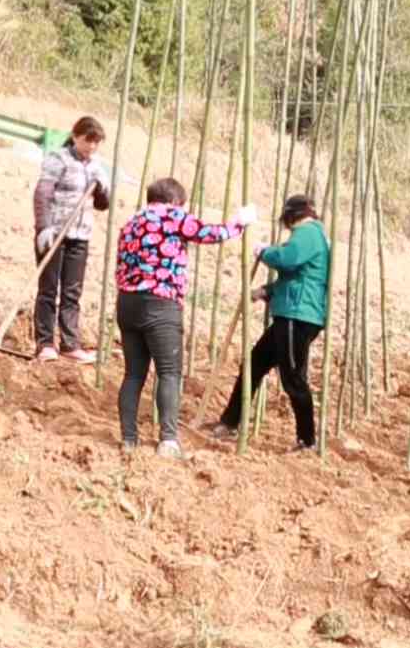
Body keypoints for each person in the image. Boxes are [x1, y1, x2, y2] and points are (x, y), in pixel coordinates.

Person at [114, 178, 256, 458]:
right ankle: (168, 440)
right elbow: (207, 232)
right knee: (168, 372)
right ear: (176, 201)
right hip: (161, 302)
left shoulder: (131, 222)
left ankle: (128, 438)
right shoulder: (171, 216)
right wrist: (238, 223)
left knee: (133, 374)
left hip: (127, 302)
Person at [205, 195, 331, 451]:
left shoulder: (308, 233)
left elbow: (287, 258)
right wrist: (268, 290)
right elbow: (298, 276)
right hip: (289, 313)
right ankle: (230, 422)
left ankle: (307, 441)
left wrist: (264, 251)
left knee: (294, 379)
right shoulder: (311, 234)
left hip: (298, 316)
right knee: (254, 364)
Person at [31, 117, 113, 363]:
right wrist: (43, 227)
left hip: (80, 235)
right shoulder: (59, 159)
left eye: (96, 142)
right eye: (88, 141)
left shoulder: (97, 165)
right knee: (48, 289)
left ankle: (70, 344)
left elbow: (102, 205)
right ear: (76, 136)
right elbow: (42, 194)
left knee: (72, 292)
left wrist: (102, 188)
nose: (92, 147)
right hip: (55, 233)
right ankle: (45, 343)